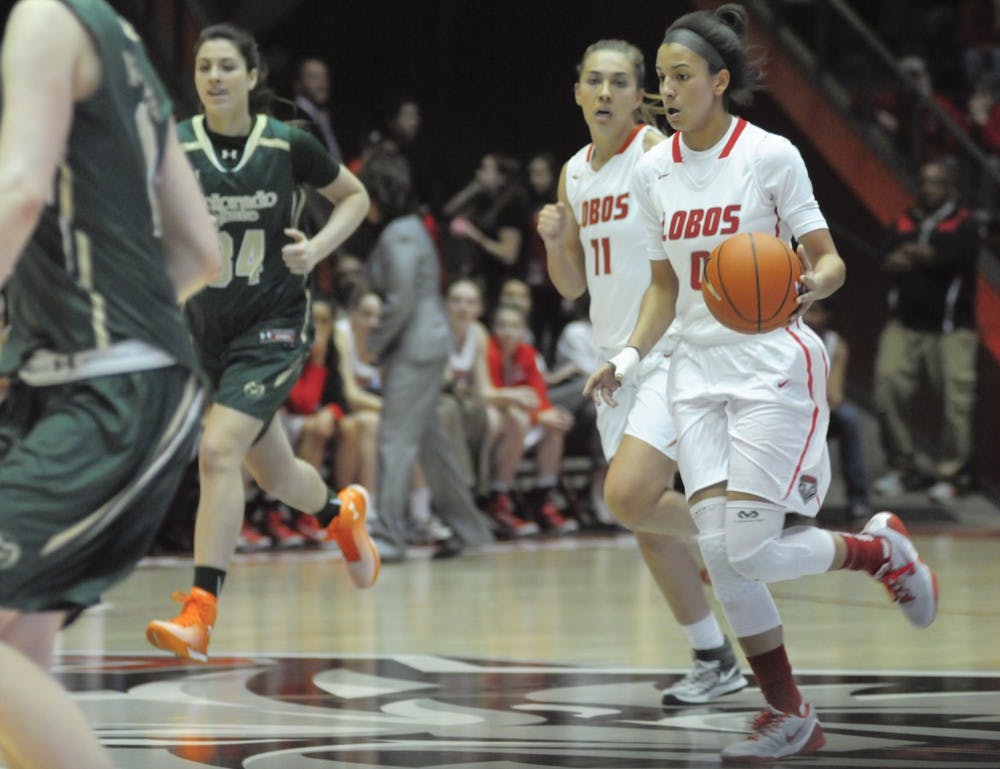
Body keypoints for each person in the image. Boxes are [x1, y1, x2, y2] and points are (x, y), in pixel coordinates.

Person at [584, 6, 939, 761]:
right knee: (723, 552)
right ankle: (791, 712)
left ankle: (878, 555)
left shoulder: (770, 156)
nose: (667, 89)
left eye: (682, 77)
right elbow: (659, 288)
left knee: (745, 549)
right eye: (664, 76)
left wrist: (809, 283)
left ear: (718, 81)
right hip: (694, 370)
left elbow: (830, 256)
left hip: (772, 361)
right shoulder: (654, 170)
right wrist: (626, 359)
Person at [0, 0, 220, 766]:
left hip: (108, 393)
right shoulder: (127, 49)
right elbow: (201, 250)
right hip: (109, 381)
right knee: (17, 646)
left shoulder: (44, 20)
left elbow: (22, 188)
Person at [146, 23, 377, 663]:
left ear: (252, 77)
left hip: (271, 324)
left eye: (226, 66)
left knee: (217, 453)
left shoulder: (287, 143)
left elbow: (355, 198)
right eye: (203, 68)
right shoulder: (175, 147)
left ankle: (200, 611)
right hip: (202, 331)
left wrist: (318, 248)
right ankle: (339, 513)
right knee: (272, 475)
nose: (213, 77)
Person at [537, 38, 746, 706]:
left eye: (619, 82)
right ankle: (714, 655)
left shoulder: (658, 154)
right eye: (593, 81)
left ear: (639, 95)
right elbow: (571, 282)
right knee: (648, 524)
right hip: (613, 364)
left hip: (670, 348)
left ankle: (758, 531)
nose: (604, 93)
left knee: (626, 495)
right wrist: (553, 239)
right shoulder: (574, 172)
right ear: (577, 91)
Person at [357, 149, 494, 561]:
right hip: (431, 345)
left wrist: (373, 345)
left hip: (413, 350)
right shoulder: (413, 227)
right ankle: (470, 530)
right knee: (434, 447)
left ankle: (389, 533)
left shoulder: (397, 234)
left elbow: (399, 302)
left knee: (395, 442)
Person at [872, 159, 980, 504]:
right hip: (904, 324)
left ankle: (953, 474)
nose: (927, 189)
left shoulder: (965, 223)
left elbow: (950, 259)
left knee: (956, 402)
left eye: (935, 183)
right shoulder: (906, 219)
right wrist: (919, 254)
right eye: (924, 182)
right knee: (886, 388)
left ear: (949, 187)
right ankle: (905, 468)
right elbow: (885, 258)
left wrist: (917, 255)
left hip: (950, 329)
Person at [485, 303, 578, 535]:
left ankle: (543, 497)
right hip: (495, 417)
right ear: (494, 329)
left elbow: (539, 393)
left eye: (514, 326)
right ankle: (498, 498)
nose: (508, 331)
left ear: (523, 330)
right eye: (502, 326)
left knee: (555, 424)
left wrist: (546, 414)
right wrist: (537, 415)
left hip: (520, 416)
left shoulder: (528, 353)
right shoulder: (488, 351)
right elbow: (492, 392)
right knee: (520, 419)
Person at [804, 301, 871, 519]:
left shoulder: (835, 344)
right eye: (807, 311)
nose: (810, 318)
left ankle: (858, 498)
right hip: (792, 414)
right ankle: (796, 502)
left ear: (827, 316)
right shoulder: (786, 341)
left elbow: (835, 395)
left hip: (821, 412)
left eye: (816, 312)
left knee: (849, 418)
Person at [292, 56, 343, 162]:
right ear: (298, 84)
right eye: (314, 78)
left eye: (325, 78)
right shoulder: (295, 119)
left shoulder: (324, 116)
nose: (323, 85)